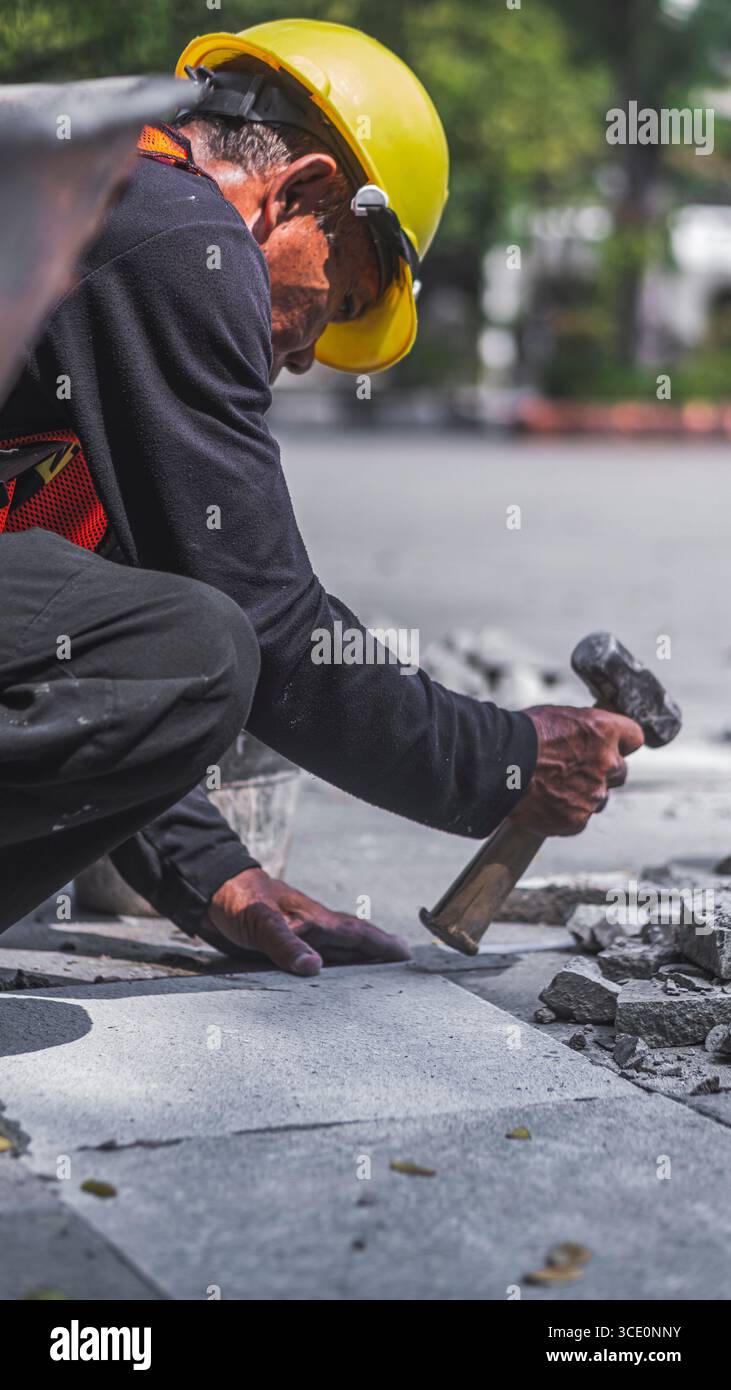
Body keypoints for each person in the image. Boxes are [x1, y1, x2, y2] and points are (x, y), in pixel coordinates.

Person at [0, 20, 642, 975]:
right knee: (205, 646)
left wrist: (213, 871)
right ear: (299, 194)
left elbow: (75, 639)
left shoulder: (103, 198)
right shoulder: (179, 236)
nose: (302, 356)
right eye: (337, 303)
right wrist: (508, 759)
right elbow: (269, 632)